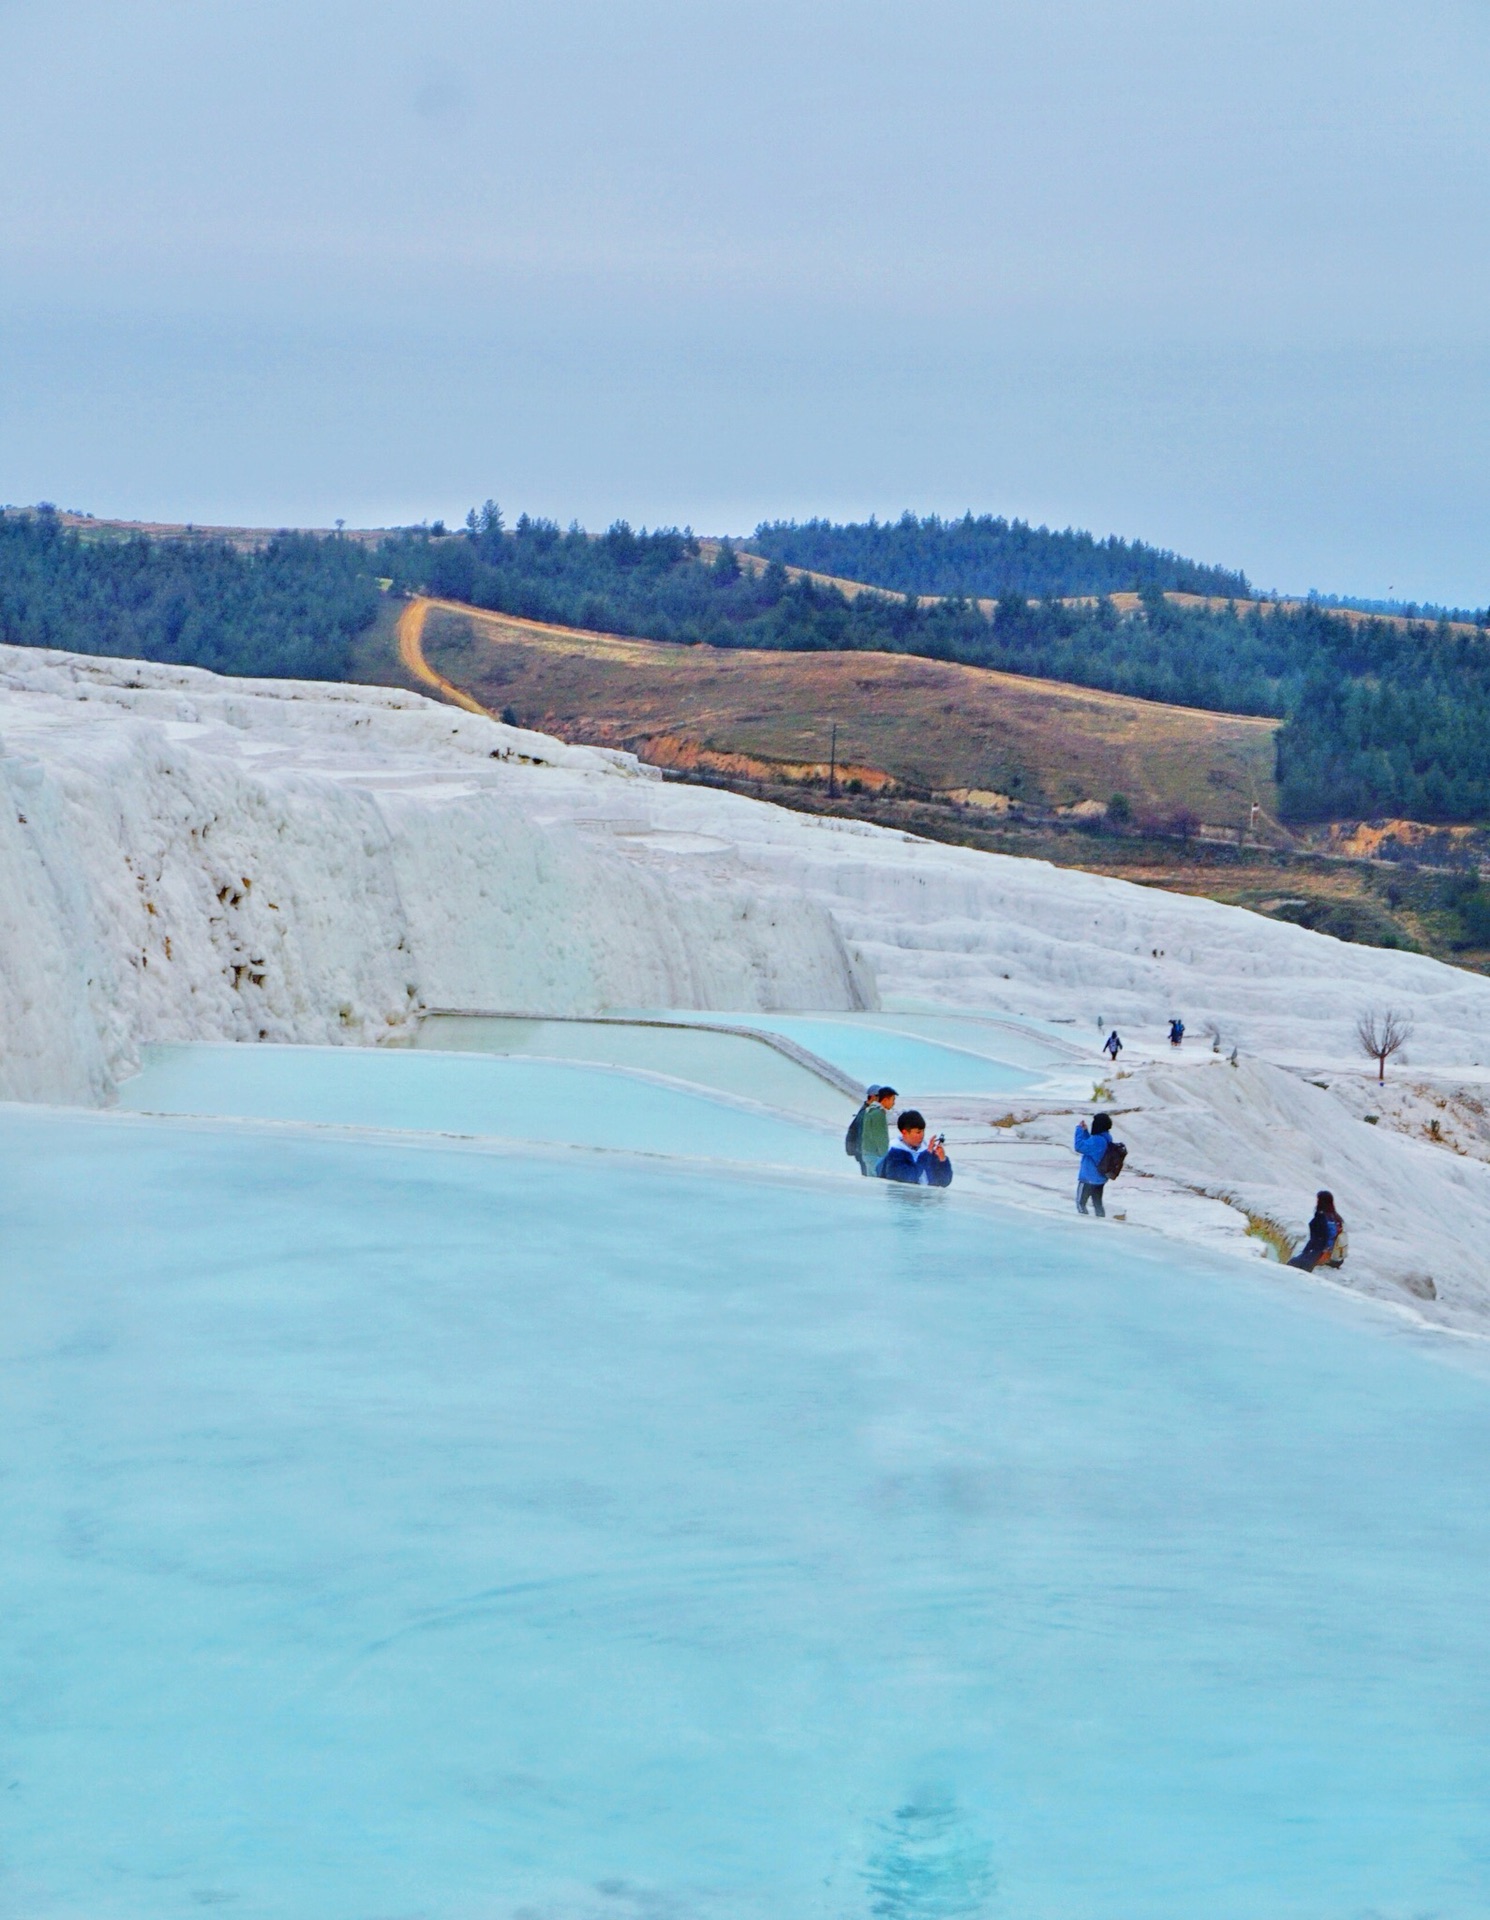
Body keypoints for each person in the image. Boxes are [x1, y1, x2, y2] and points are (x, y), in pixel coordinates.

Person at [876, 1109, 953, 1186]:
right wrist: (926, 1156)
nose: (922, 1135)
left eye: (923, 1131)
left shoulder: (926, 1150)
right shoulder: (895, 1154)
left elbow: (944, 1182)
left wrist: (942, 1161)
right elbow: (906, 1179)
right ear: (904, 1132)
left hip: (928, 1197)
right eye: (918, 1132)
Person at [1073, 1111, 1122, 1216]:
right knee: (1097, 1204)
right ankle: (1102, 1222)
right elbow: (1090, 1146)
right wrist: (1085, 1132)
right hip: (1100, 1179)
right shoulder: (1106, 1137)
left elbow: (1079, 1146)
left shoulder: (1097, 1140)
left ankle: (1084, 1222)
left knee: (1081, 1203)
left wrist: (1078, 1129)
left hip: (1088, 1178)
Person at [1288, 1191, 1345, 1270]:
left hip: (1322, 1252)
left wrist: (1308, 1252)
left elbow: (1319, 1239)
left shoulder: (1321, 1217)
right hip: (1336, 1257)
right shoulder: (1336, 1218)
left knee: (1292, 1264)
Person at [851, 1084, 897, 1177]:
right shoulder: (878, 1113)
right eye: (892, 1100)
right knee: (877, 1182)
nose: (893, 1103)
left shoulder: (870, 1110)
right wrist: (885, 1157)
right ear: (885, 1100)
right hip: (875, 1155)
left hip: (868, 1153)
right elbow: (879, 1137)